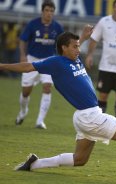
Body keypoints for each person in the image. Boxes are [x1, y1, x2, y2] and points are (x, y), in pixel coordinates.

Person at [0, 25, 116, 181]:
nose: (79, 49)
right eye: (75, 47)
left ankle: (35, 164)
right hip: (89, 115)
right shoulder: (56, 62)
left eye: (79, 46)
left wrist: (83, 37)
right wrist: (2, 66)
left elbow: (75, 45)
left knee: (80, 159)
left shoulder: (73, 58)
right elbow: (27, 67)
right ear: (63, 48)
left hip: (85, 115)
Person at [16, 0, 64, 129]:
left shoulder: (57, 27)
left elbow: (63, 44)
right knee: (26, 92)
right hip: (32, 59)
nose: (49, 13)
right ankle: (23, 111)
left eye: (51, 11)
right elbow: (22, 40)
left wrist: (61, 59)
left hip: (49, 61)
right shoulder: (33, 24)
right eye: (47, 10)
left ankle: (40, 121)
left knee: (47, 87)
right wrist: (22, 55)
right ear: (42, 11)